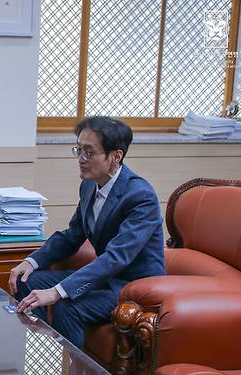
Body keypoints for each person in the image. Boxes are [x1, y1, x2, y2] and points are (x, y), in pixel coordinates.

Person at [10, 116, 164, 349]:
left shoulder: (141, 197)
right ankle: (40, 350)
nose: (81, 159)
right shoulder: (89, 185)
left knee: (67, 305)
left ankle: (73, 371)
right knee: (27, 280)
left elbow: (116, 257)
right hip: (104, 278)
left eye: (89, 152)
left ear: (116, 157)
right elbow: (72, 235)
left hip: (131, 286)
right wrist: (31, 261)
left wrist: (58, 292)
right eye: (79, 150)